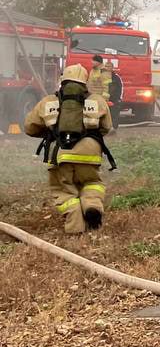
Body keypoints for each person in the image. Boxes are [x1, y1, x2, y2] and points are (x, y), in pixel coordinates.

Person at [24, 64, 114, 234]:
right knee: (92, 183)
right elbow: (106, 127)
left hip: (60, 154)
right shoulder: (97, 100)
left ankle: (75, 228)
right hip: (90, 153)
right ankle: (92, 206)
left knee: (64, 190)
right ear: (85, 81)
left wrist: (51, 133)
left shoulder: (48, 101)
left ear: (62, 80)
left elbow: (30, 127)